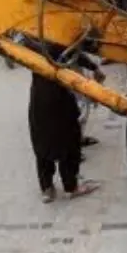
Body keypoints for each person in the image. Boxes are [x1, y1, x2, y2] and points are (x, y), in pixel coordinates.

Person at [28, 43, 103, 203]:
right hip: (60, 99)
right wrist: (95, 67)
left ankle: (47, 188)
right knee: (69, 144)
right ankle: (71, 186)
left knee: (42, 144)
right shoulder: (57, 38)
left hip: (40, 98)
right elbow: (73, 51)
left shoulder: (32, 39)